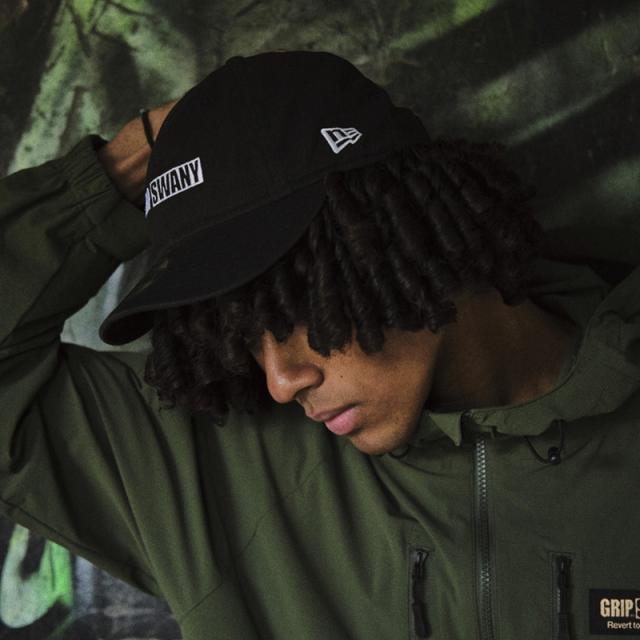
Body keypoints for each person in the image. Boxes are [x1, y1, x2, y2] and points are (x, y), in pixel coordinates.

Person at [0, 50, 639, 640]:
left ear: (399, 223)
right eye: (242, 336)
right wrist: (118, 171)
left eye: (290, 309)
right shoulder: (215, 468)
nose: (280, 381)